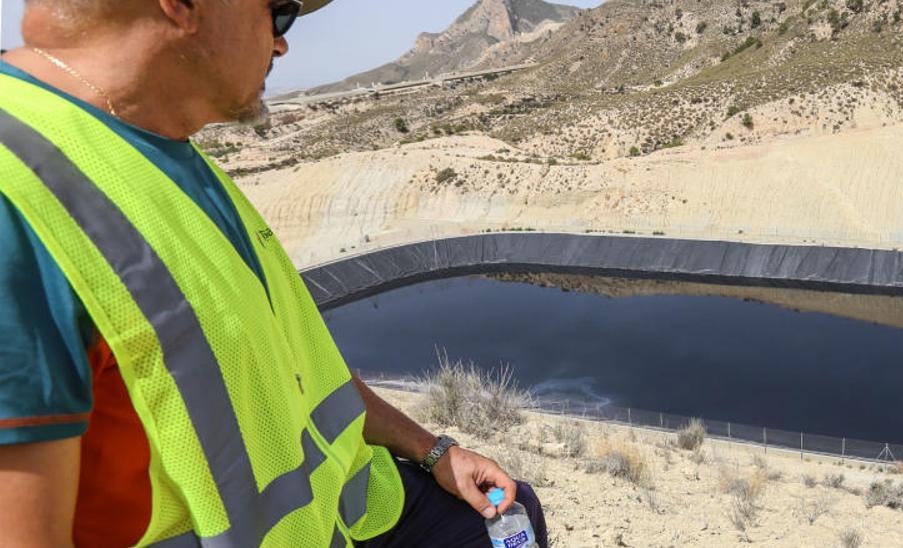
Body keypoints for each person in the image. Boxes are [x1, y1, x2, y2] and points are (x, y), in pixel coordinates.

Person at [0, 1, 547, 546]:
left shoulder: (156, 148)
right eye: (279, 11)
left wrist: (435, 452)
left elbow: (302, 372)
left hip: (363, 513)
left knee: (515, 515)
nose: (282, 42)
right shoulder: (19, 192)